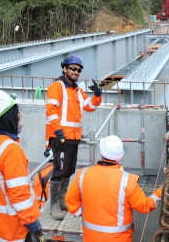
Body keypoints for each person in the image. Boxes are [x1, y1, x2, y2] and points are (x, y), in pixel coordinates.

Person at [65, 135, 163, 241]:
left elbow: (70, 201)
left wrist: (81, 213)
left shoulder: (83, 174)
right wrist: (161, 191)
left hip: (91, 237)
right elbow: (145, 206)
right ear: (120, 156)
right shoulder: (127, 180)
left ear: (102, 154)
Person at [0, 90, 44, 242]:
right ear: (8, 117)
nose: (19, 116)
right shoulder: (11, 150)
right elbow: (19, 196)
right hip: (14, 231)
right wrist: (35, 226)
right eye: (16, 112)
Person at [44, 54, 102, 219]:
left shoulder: (77, 91)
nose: (76, 72)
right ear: (65, 68)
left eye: (79, 70)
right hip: (61, 137)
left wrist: (97, 95)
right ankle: (54, 205)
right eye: (73, 68)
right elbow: (51, 111)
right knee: (59, 170)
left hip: (73, 138)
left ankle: (63, 201)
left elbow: (89, 106)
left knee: (69, 170)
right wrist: (58, 132)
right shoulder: (57, 86)